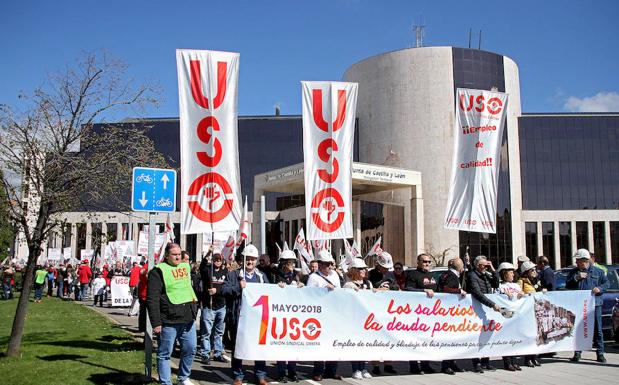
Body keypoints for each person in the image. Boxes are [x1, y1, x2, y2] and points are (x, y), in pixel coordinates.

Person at [146, 243, 199, 385]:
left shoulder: (185, 267)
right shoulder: (157, 272)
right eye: (174, 254)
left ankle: (183, 378)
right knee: (165, 354)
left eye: (179, 254)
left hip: (187, 319)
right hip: (168, 321)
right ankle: (165, 382)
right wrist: (156, 323)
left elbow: (188, 289)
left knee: (190, 349)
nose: (178, 257)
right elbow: (152, 299)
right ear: (166, 256)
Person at [221, 244, 269, 385]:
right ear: (243, 259)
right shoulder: (233, 275)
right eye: (248, 259)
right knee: (238, 347)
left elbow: (269, 293)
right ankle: (238, 376)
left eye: (253, 259)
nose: (250, 262)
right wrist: (238, 287)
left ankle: (260, 375)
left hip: (257, 318)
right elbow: (223, 290)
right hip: (239, 318)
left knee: (259, 347)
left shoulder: (261, 276)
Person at [566, 249, 609, 363]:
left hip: (595, 305)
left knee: (598, 329)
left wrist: (599, 289)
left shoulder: (598, 272)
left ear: (585, 261)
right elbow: (568, 285)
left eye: (578, 261)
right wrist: (577, 278)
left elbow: (606, 283)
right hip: (579, 306)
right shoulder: (574, 272)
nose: (577, 263)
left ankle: (600, 353)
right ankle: (577, 353)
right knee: (578, 329)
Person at [306, 250, 343, 382]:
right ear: (320, 264)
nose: (329, 267)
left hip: (333, 313)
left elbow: (340, 291)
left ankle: (331, 370)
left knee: (334, 342)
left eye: (330, 264)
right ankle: (318, 371)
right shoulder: (313, 277)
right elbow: (309, 295)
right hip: (320, 314)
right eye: (327, 264)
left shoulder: (335, 275)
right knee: (320, 343)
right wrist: (323, 288)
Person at [403, 253, 438, 375]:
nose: (427, 264)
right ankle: (413, 366)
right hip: (416, 313)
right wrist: (423, 290)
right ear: (418, 262)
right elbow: (407, 289)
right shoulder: (412, 274)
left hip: (431, 313)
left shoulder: (433, 275)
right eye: (424, 261)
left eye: (428, 262)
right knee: (414, 339)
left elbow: (439, 292)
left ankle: (426, 364)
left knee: (427, 340)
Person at [467, 255, 501, 373]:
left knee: (487, 335)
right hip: (477, 308)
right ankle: (476, 363)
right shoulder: (472, 275)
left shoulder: (485, 274)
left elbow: (496, 284)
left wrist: (493, 270)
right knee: (476, 337)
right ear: (477, 265)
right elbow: (477, 293)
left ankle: (486, 362)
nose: (485, 267)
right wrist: (492, 304)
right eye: (483, 265)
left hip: (487, 309)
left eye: (486, 264)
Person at [274, 250, 304, 382]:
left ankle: (292, 371)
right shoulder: (275, 275)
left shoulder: (297, 276)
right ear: (284, 263)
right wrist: (275, 287)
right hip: (280, 314)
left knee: (293, 345)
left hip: (294, 316)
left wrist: (302, 286)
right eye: (290, 262)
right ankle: (281, 372)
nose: (292, 264)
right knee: (281, 344)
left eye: (293, 262)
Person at [436, 258, 467, 375]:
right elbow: (445, 289)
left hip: (451, 312)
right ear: (460, 268)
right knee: (450, 340)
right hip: (449, 312)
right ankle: (446, 365)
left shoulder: (448, 274)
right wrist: (458, 291)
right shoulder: (451, 276)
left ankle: (452, 362)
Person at [199, 248, 229, 365]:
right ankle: (205, 354)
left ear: (222, 261)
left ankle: (217, 353)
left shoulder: (225, 272)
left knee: (219, 332)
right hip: (209, 306)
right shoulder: (208, 270)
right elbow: (201, 266)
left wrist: (217, 290)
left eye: (219, 259)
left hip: (221, 306)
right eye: (215, 259)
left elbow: (227, 287)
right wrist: (208, 252)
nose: (217, 261)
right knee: (206, 332)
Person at [496, 262, 523, 371]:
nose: (513, 274)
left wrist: (522, 296)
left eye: (513, 272)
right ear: (504, 273)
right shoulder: (500, 286)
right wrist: (504, 296)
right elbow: (497, 299)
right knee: (507, 339)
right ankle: (507, 362)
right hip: (506, 316)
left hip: (516, 316)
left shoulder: (516, 285)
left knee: (515, 340)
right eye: (510, 272)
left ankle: (514, 361)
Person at [517, 261, 542, 367]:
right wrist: (521, 294)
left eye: (535, 270)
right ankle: (527, 358)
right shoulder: (521, 281)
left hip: (536, 311)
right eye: (532, 270)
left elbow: (540, 291)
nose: (534, 272)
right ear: (526, 272)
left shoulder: (536, 281)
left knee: (537, 336)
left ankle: (534, 357)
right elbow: (517, 293)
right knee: (529, 336)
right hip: (527, 313)